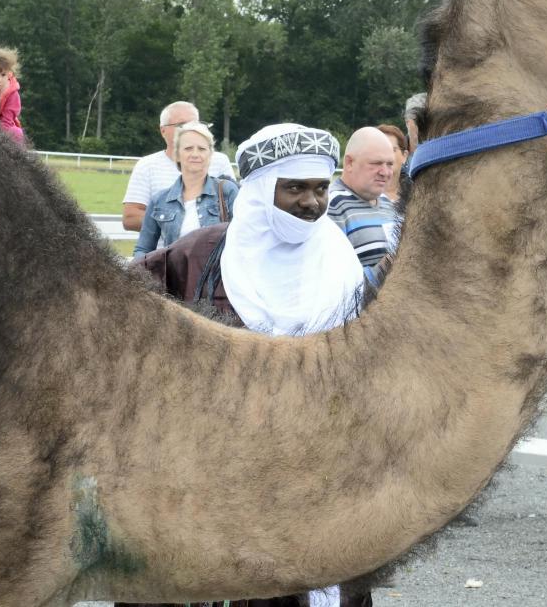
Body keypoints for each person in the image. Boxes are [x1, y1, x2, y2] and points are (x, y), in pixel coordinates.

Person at [129, 123, 369, 607]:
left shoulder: (341, 262)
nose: (311, 203)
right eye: (295, 188)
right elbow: (119, 306)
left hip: (315, 472)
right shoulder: (201, 253)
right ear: (261, 190)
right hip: (213, 471)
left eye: (321, 188)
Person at [122, 102, 234, 232]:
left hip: (213, 251)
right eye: (181, 125)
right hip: (163, 252)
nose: (190, 130)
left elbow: (236, 209)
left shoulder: (220, 162)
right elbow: (130, 218)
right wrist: (177, 221)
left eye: (195, 125)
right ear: (163, 131)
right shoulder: (147, 166)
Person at [133, 122, 237, 258]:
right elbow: (143, 249)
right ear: (177, 154)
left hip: (217, 278)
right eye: (188, 148)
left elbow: (244, 240)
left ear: (210, 154)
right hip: (174, 278)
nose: (195, 154)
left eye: (201, 149)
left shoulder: (227, 191)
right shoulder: (159, 200)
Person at [327, 127, 398, 268]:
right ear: (349, 163)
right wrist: (388, 266)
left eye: (390, 164)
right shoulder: (331, 205)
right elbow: (332, 278)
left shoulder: (387, 203)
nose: (385, 172)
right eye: (376, 163)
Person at [375, 123, 408, 202]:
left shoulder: (417, 194)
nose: (386, 155)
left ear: (404, 156)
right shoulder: (360, 193)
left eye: (393, 150)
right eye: (380, 149)